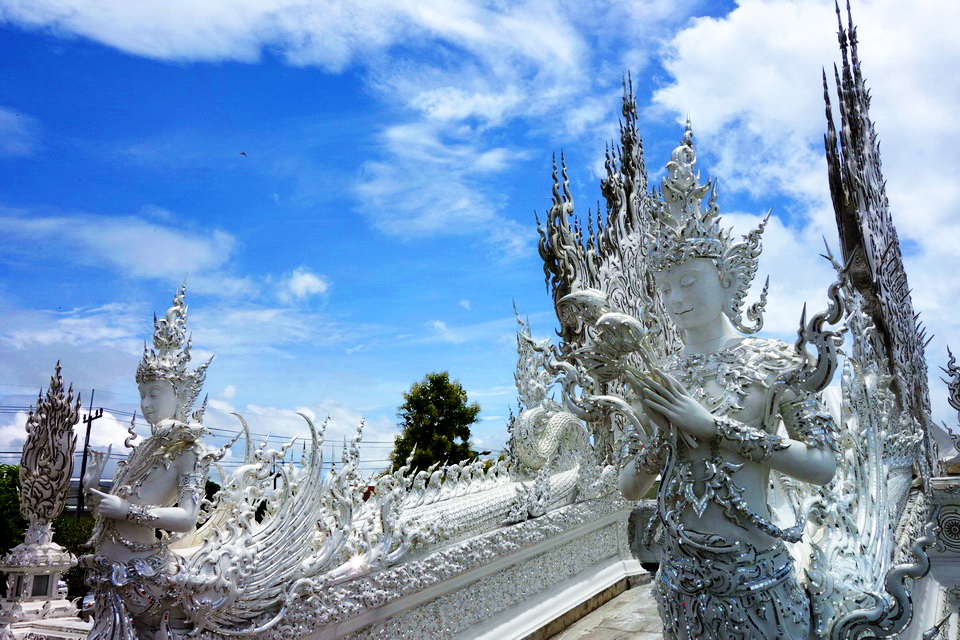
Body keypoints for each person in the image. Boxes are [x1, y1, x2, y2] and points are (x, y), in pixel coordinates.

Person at [616, 125, 838, 640]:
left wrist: (713, 427)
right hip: (680, 589)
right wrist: (662, 439)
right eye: (665, 286)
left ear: (728, 277)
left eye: (689, 280)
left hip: (758, 586)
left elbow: (823, 467)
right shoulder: (659, 376)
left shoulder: (774, 360)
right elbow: (630, 488)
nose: (674, 298)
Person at [81, 285, 215, 640]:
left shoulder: (188, 449)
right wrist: (93, 487)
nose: (147, 404)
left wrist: (127, 511)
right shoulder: (144, 449)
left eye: (156, 393)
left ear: (181, 395)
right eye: (142, 395)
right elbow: (116, 505)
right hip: (108, 575)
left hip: (145, 579)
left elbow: (186, 519)